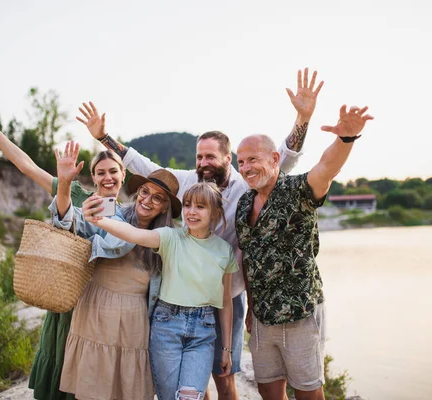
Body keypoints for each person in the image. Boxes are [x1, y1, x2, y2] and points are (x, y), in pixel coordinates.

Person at [78, 68, 324, 400]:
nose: (203, 162)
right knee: (191, 378)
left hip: (227, 294)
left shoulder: (246, 186)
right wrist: (103, 137)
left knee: (224, 374)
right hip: (182, 293)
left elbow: (286, 155)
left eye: (210, 156)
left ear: (228, 158)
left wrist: (302, 117)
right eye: (198, 156)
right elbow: (144, 167)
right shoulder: (189, 180)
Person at [0, 103, 124, 400]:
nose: (107, 178)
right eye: (100, 172)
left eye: (113, 171)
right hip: (67, 304)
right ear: (91, 176)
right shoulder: (75, 193)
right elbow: (25, 165)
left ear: (123, 174)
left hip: (102, 313)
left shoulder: (131, 215)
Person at [235, 105, 374, 400]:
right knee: (268, 390)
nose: (245, 167)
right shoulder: (244, 204)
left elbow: (327, 167)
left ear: (275, 159)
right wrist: (249, 308)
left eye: (252, 159)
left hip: (300, 311)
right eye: (241, 162)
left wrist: (345, 139)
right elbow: (248, 259)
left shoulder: (298, 190)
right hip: (261, 316)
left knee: (308, 392)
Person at [88, 178, 238, 400]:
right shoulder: (171, 237)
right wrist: (98, 220)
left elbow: (226, 301)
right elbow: (133, 234)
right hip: (166, 327)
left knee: (190, 396)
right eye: (187, 205)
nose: (191, 212)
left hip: (203, 332)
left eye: (200, 206)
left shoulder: (225, 251)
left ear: (215, 212)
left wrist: (226, 349)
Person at [51, 146, 179, 399]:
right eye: (145, 192)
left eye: (157, 198)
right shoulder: (113, 211)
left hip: (135, 317)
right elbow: (67, 221)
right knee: (93, 386)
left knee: (127, 388)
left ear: (165, 207)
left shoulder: (168, 239)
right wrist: (64, 183)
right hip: (96, 306)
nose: (147, 200)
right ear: (137, 191)